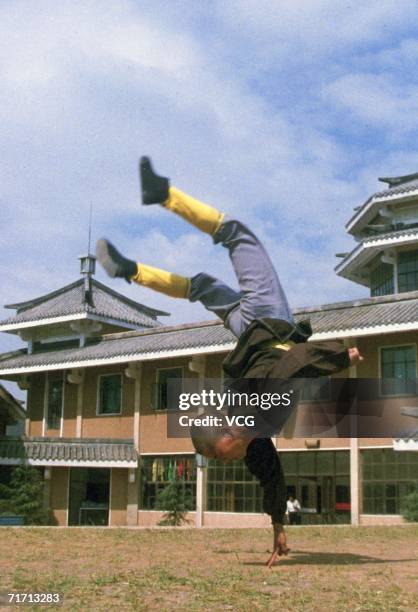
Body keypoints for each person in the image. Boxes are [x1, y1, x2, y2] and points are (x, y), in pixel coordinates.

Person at [96, 156, 362, 567]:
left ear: (227, 438)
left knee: (238, 236)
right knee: (202, 285)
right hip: (249, 332)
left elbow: (295, 364)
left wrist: (340, 356)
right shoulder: (252, 439)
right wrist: (279, 527)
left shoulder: (255, 409)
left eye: (222, 456)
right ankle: (131, 270)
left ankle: (164, 195)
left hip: (266, 319)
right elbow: (272, 477)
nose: (228, 462)